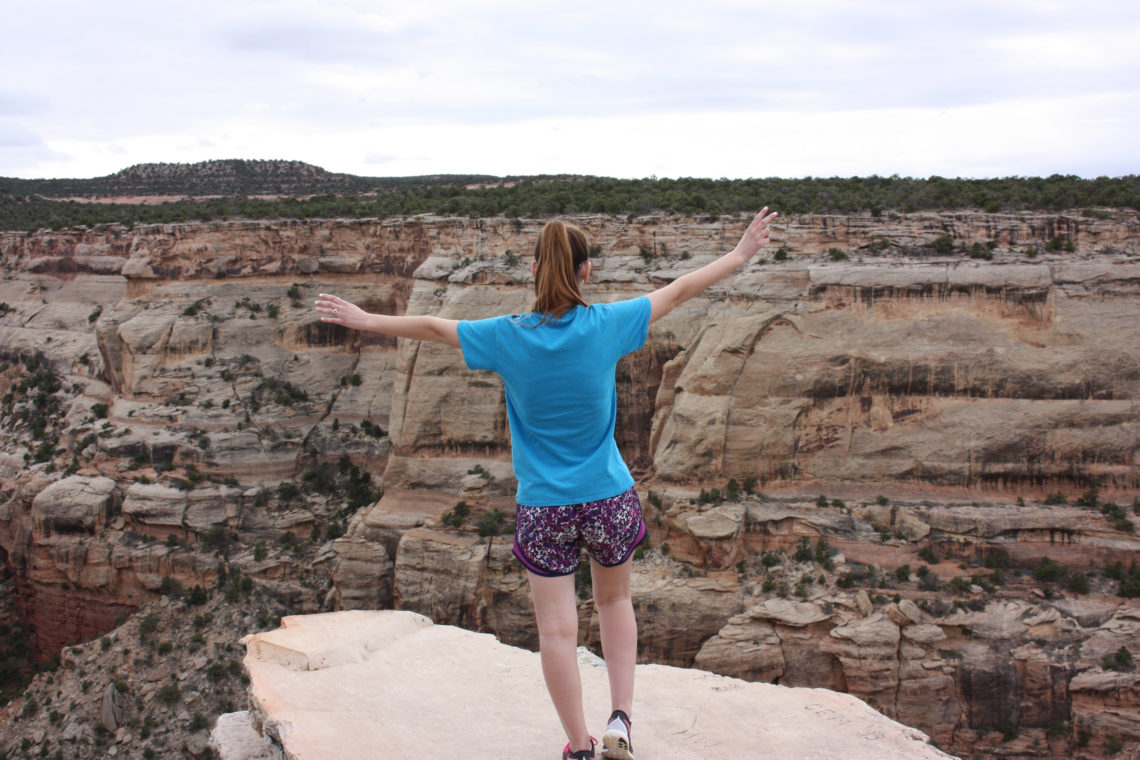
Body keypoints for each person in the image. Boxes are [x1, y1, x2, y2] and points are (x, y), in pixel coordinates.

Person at [314, 207, 777, 760]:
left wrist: (367, 320)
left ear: (535, 270)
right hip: (608, 496)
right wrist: (741, 253)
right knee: (615, 601)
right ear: (586, 272)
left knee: (557, 632)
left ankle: (579, 745)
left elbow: (435, 328)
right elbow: (677, 292)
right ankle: (621, 721)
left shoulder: (508, 337)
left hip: (544, 508)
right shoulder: (607, 325)